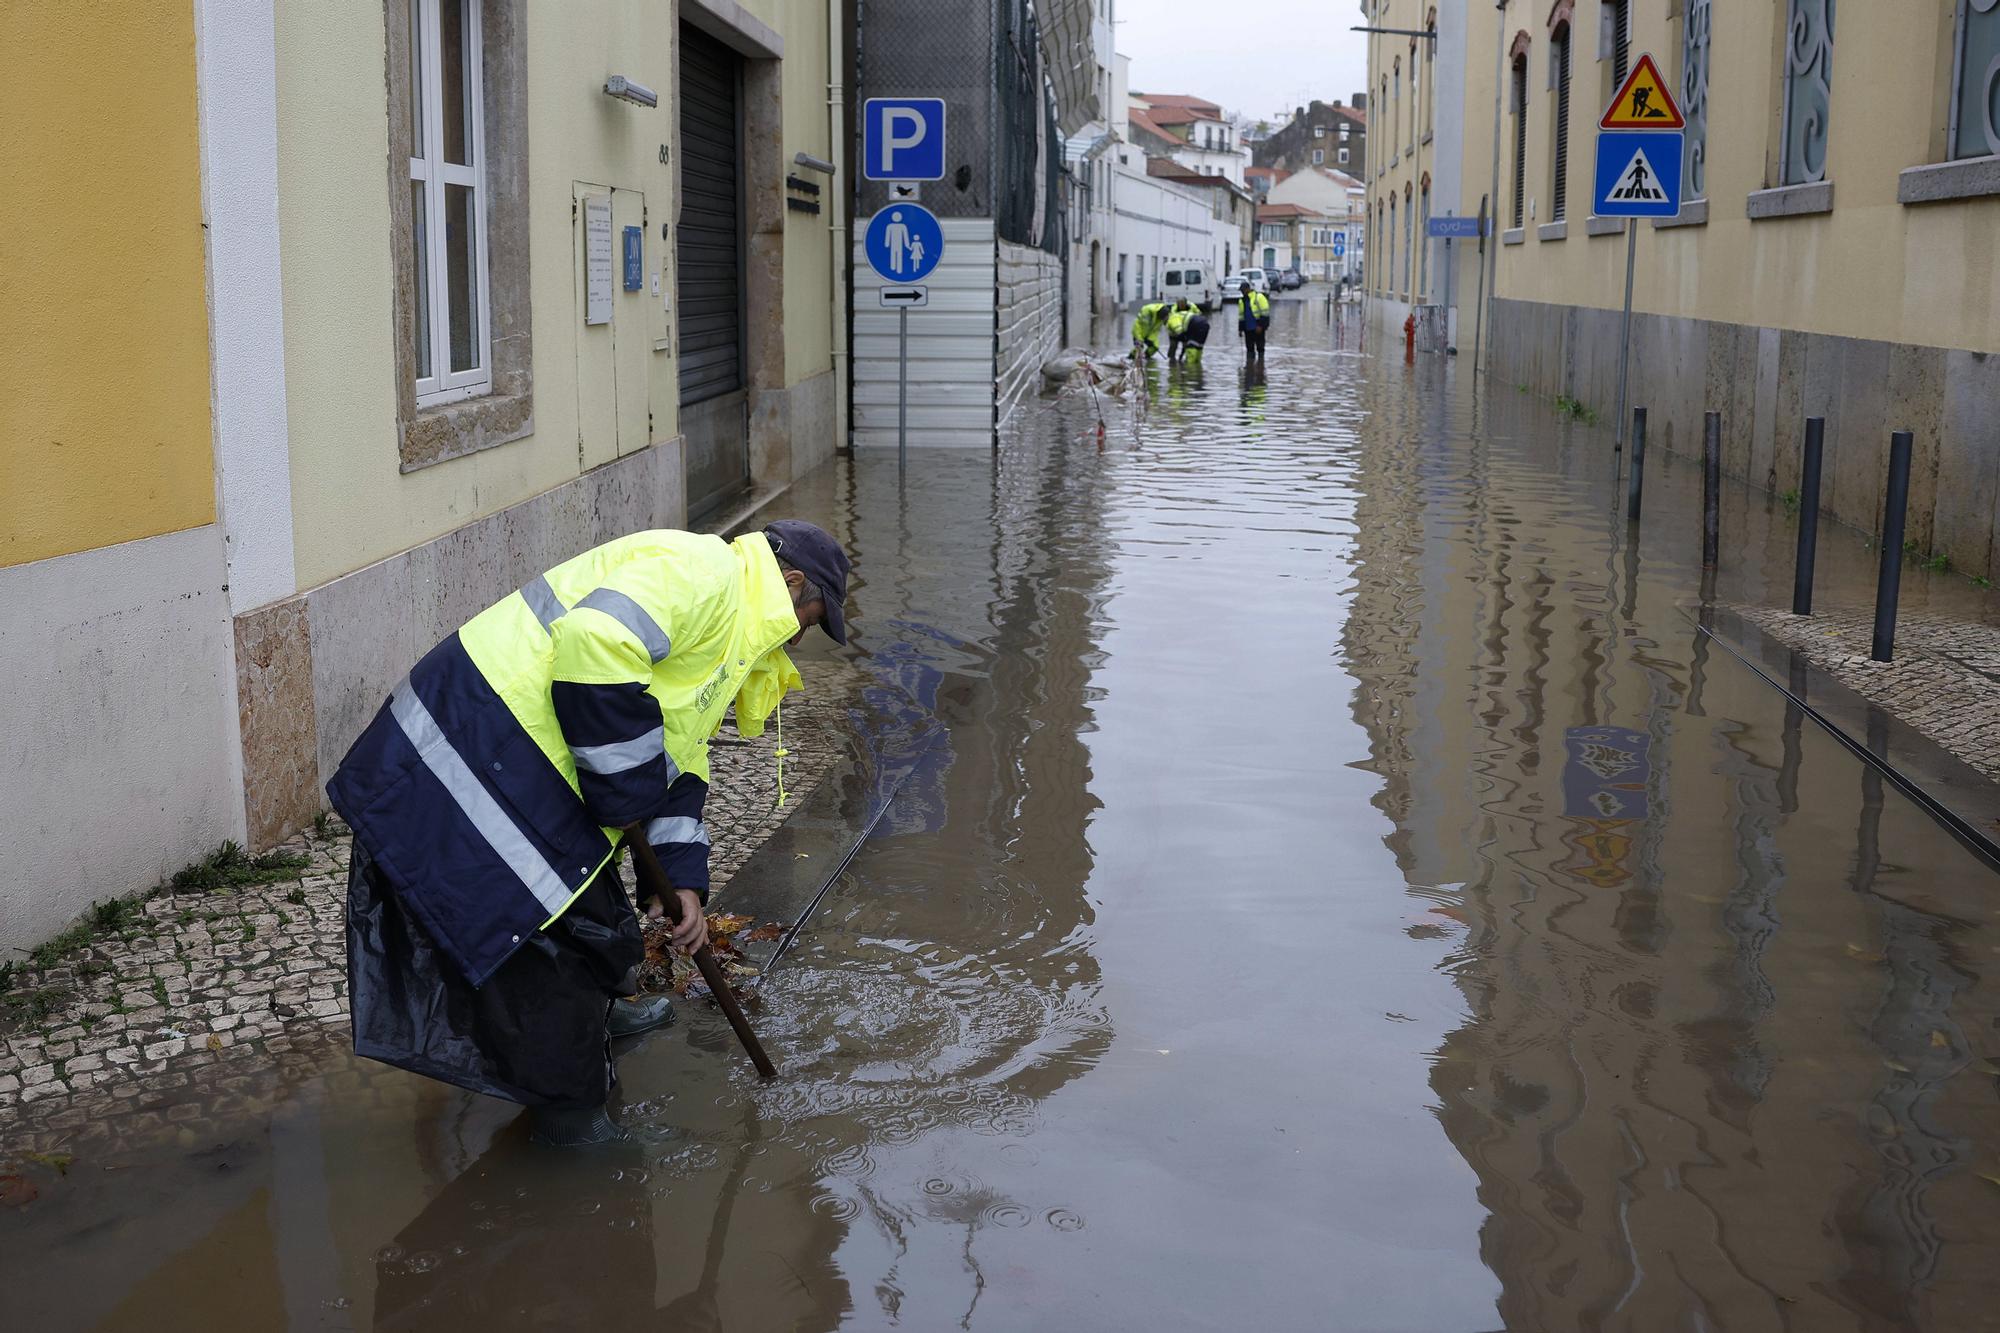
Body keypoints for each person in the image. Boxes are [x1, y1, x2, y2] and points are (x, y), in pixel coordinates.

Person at [329, 520, 851, 1147]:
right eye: (815, 617)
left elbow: (681, 757)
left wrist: (680, 880)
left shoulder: (734, 629)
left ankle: (601, 1016)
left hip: (529, 763)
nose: (804, 636)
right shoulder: (705, 573)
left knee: (603, 933)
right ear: (792, 583)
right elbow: (596, 640)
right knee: (551, 957)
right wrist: (625, 791)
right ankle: (573, 1121)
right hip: (471, 750)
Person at [1240, 285, 1272, 362]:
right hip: (1248, 328)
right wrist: (1240, 329)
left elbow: (1265, 313)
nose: (1242, 292)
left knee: (1260, 348)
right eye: (1241, 290)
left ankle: (1260, 366)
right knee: (1249, 349)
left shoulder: (1259, 297)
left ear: (1248, 289)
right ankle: (1250, 368)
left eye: (1243, 290)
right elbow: (1241, 316)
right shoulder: (1242, 300)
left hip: (1258, 328)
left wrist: (1261, 326)